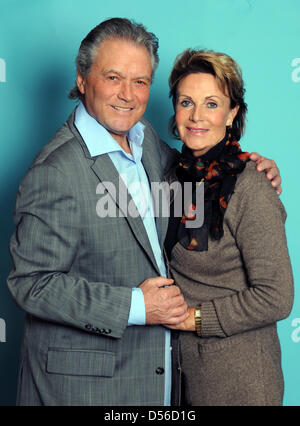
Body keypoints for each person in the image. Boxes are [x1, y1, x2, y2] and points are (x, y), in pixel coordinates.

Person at [7, 18, 281, 406]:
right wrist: (137, 306)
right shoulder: (55, 171)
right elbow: (31, 283)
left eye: (140, 81)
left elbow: (205, 170)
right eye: (113, 77)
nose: (127, 94)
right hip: (83, 390)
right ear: (83, 79)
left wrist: (253, 166)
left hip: (161, 381)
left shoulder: (146, 138)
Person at [164, 49, 294, 406]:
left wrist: (195, 319)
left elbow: (277, 296)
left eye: (211, 103)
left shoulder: (250, 186)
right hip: (181, 379)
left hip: (242, 384)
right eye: (186, 102)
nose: (196, 116)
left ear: (232, 112)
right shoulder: (169, 175)